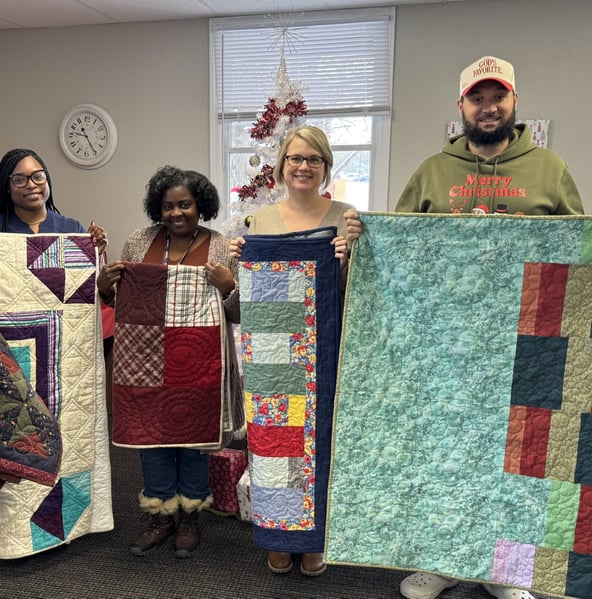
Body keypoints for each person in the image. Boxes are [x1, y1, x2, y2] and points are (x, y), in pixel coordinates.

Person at [347, 56, 583, 599]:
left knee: (516, 452)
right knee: (444, 448)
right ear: (462, 107)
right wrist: (367, 234)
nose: (488, 106)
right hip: (445, 344)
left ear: (514, 101)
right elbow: (399, 249)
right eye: (477, 97)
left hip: (525, 340)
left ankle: (504, 568)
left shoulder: (549, 169)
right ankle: (444, 557)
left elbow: (577, 248)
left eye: (498, 95)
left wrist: (533, 236)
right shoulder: (433, 172)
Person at [97, 165, 243, 559]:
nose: (176, 213)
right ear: (156, 208)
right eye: (167, 206)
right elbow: (122, 302)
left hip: (199, 358)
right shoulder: (138, 242)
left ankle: (191, 515)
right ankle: (161, 516)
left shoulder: (221, 247)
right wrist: (105, 287)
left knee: (194, 441)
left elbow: (241, 312)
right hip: (144, 358)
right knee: (152, 436)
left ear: (201, 206)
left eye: (185, 205)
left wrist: (228, 287)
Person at [230, 125, 353, 577]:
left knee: (320, 441)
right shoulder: (260, 222)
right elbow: (247, 295)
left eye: (313, 159)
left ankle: (315, 539)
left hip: (322, 348)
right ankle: (279, 533)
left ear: (325, 165)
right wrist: (241, 260)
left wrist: (347, 260)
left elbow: (359, 294)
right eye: (295, 159)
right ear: (281, 166)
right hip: (271, 355)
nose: (303, 167)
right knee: (273, 446)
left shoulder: (346, 217)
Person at [0, 148, 106, 258]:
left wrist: (94, 255)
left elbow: (87, 286)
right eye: (19, 180)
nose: (31, 184)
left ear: (47, 179)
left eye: (38, 176)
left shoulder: (72, 229)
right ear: (7, 187)